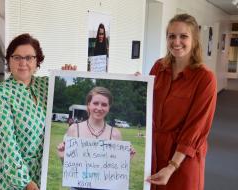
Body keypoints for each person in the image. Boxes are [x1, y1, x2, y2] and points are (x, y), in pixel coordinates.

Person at [0, 33, 76, 190]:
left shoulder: (46, 85)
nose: (23, 63)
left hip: (41, 174)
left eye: (29, 57)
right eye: (17, 57)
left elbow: (80, 95)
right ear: (9, 60)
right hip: (11, 179)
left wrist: (69, 75)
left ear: (37, 61)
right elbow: (6, 146)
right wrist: (26, 183)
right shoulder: (0, 95)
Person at [146, 14, 217, 190]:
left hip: (183, 158)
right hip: (154, 151)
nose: (176, 42)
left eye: (183, 36)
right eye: (171, 36)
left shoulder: (205, 78)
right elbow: (145, 102)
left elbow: (196, 128)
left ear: (194, 40)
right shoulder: (158, 67)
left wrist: (172, 166)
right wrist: (136, 84)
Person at [57, 87, 136, 190]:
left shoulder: (115, 134)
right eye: (95, 103)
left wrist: (126, 160)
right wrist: (63, 157)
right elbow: (70, 167)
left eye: (104, 104)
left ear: (109, 107)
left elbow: (115, 171)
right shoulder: (74, 129)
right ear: (88, 105)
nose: (99, 108)